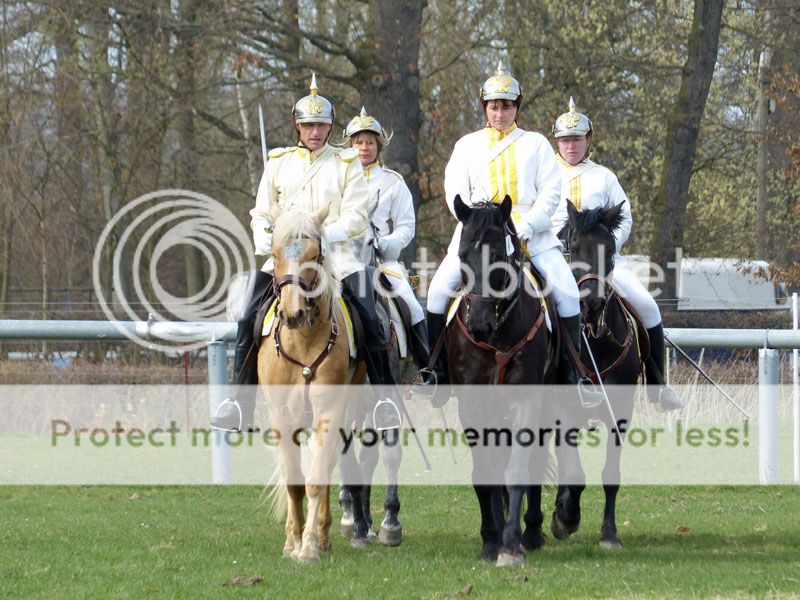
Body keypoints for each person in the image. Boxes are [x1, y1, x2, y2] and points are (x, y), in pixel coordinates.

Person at [211, 74, 401, 432]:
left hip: (337, 257)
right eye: (308, 125)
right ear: (298, 127)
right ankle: (239, 404)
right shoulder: (278, 162)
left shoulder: (345, 164)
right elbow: (261, 214)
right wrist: (269, 240)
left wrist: (320, 237)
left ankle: (384, 400)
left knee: (370, 314)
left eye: (321, 125)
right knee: (249, 312)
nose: (315, 131)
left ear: (330, 127)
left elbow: (357, 216)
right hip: (285, 259)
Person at [425, 62, 602, 403]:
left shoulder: (535, 144)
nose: (500, 112)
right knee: (436, 292)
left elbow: (551, 193)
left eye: (506, 105)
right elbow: (454, 191)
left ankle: (572, 375)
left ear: (516, 107)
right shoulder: (466, 145)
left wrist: (522, 227)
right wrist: (474, 223)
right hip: (477, 233)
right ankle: (436, 373)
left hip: (529, 231)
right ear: (485, 108)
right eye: (494, 105)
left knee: (565, 292)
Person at [549, 97, 682, 411]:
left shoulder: (604, 177)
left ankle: (657, 386)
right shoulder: (544, 174)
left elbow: (626, 220)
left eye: (577, 140)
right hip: (555, 258)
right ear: (557, 142)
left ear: (588, 140)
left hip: (600, 262)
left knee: (648, 307)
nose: (571, 146)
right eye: (565, 140)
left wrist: (608, 248)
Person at [344, 106, 430, 373]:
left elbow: (406, 226)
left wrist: (388, 243)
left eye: (370, 142)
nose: (364, 147)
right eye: (358, 142)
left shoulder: (393, 181)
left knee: (412, 306)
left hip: (381, 258)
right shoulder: (337, 179)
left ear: (379, 146)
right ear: (350, 146)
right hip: (343, 257)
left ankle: (427, 368)